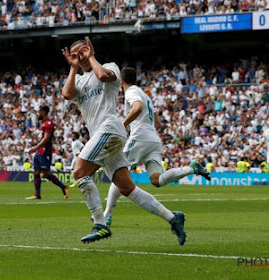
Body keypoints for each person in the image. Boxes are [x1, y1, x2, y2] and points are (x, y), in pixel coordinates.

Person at [62, 37, 186, 245]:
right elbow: (67, 94)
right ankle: (173, 218)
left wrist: (90, 57)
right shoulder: (79, 81)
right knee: (127, 188)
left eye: (83, 51)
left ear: (91, 50)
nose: (80, 56)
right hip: (102, 136)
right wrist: (73, 68)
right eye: (76, 54)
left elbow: (101, 75)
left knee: (79, 173)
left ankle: (100, 224)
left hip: (109, 128)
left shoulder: (110, 67)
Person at [103, 67, 211, 226]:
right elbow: (158, 123)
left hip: (140, 137)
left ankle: (107, 215)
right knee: (157, 180)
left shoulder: (131, 92)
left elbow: (137, 107)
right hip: (153, 139)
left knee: (120, 172)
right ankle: (191, 168)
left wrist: (123, 124)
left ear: (122, 80)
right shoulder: (145, 94)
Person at [25, 105, 69, 200]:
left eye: (39, 111)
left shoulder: (49, 123)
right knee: (36, 171)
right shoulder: (43, 123)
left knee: (45, 174)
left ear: (44, 112)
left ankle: (63, 186)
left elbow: (46, 138)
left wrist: (35, 147)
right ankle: (37, 194)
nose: (38, 113)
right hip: (39, 151)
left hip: (45, 151)